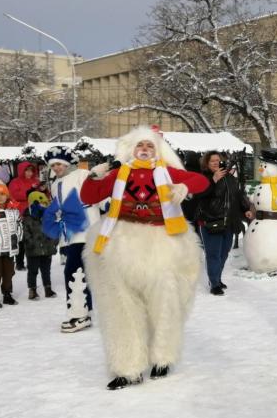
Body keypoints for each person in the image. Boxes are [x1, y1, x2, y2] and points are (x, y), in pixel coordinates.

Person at [80, 125, 209, 390]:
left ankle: (163, 356)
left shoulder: (166, 172)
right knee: (121, 308)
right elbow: (89, 195)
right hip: (121, 243)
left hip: (161, 244)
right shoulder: (119, 174)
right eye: (141, 145)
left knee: (165, 305)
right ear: (132, 149)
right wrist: (96, 173)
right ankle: (127, 367)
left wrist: (183, 185)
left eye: (150, 146)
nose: (145, 150)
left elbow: (201, 181)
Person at [41, 146, 97, 333]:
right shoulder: (56, 183)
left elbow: (96, 189)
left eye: (59, 164)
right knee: (79, 271)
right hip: (71, 235)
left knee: (74, 272)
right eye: (53, 165)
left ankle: (79, 315)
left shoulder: (81, 174)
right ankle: (84, 310)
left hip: (87, 230)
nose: (56, 168)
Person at [193, 151, 252, 295]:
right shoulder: (202, 178)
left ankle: (217, 279)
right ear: (206, 164)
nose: (215, 163)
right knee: (213, 254)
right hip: (210, 221)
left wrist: (245, 209)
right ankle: (214, 284)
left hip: (229, 221)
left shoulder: (230, 178)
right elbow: (198, 195)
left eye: (217, 160)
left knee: (224, 253)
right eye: (211, 161)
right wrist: (213, 180)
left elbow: (237, 195)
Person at [22, 190, 57, 300]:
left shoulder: (48, 216)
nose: (45, 206)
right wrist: (30, 243)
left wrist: (53, 242)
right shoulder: (27, 218)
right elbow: (25, 233)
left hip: (47, 248)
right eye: (42, 203)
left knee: (46, 269)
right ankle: (32, 290)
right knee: (33, 270)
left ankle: (48, 288)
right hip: (33, 249)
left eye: (46, 204)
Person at [9, 161, 43, 271]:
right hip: (21, 213)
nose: (29, 173)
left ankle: (32, 262)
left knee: (33, 239)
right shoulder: (15, 182)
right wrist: (31, 192)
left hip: (34, 214)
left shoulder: (36, 181)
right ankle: (19, 262)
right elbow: (14, 195)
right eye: (27, 170)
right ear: (22, 171)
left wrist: (43, 190)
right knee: (21, 239)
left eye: (31, 170)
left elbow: (41, 196)